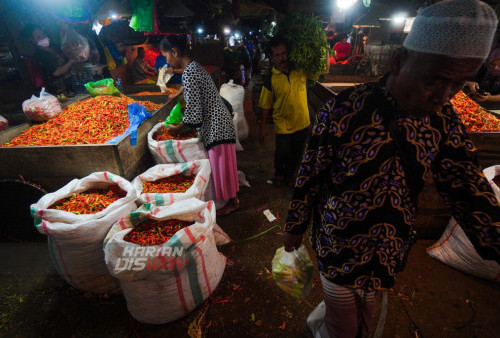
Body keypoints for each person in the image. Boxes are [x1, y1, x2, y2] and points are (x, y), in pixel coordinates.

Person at [283, 0, 500, 337]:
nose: (443, 96)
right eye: (434, 80)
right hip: (337, 246)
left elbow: (469, 189)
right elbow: (310, 172)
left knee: (365, 320)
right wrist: (295, 226)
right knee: (346, 327)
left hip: (387, 251)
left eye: (457, 85)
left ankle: (321, 324)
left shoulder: (443, 122)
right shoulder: (345, 110)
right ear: (400, 61)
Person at [160, 35, 240, 216]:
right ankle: (233, 199)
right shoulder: (194, 67)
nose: (166, 60)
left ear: (175, 52)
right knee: (226, 165)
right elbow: (191, 89)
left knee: (222, 166)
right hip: (220, 122)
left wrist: (178, 127)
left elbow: (194, 114)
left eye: (166, 56)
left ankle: (232, 203)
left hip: (216, 126)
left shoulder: (189, 72)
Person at [258, 35, 312, 187]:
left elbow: (322, 70)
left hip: (302, 122)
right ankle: (279, 174)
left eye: (284, 53)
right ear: (271, 57)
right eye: (277, 55)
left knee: (296, 154)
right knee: (282, 153)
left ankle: (289, 177)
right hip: (283, 124)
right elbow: (265, 105)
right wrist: (262, 129)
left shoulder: (301, 70)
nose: (282, 57)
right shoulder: (271, 78)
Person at [22, 24, 76, 96]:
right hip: (60, 91)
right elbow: (56, 73)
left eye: (43, 35)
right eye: (38, 37)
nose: (43, 38)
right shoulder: (40, 55)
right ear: (32, 40)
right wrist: (71, 62)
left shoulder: (55, 47)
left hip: (71, 84)